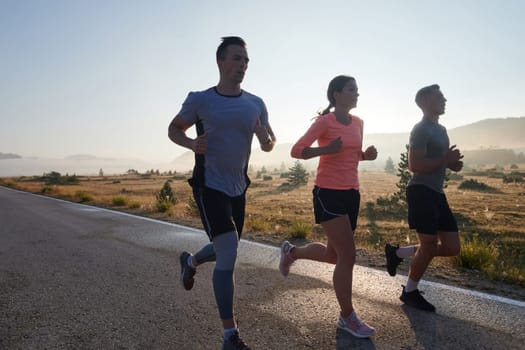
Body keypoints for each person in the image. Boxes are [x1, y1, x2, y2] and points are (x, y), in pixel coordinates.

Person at [168, 36, 275, 350]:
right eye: (236, 59)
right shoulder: (201, 100)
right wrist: (191, 144)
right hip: (209, 184)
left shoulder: (255, 103)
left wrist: (266, 139)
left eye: (245, 61)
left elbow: (267, 142)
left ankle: (191, 261)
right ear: (220, 62)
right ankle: (230, 335)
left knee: (227, 247)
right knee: (228, 249)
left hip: (238, 186)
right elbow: (175, 129)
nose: (242, 66)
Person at [281, 75, 377, 338]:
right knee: (348, 256)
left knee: (335, 256)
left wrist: (365, 156)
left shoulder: (358, 122)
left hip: (351, 193)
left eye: (357, 89)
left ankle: (292, 252)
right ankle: (347, 317)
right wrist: (325, 151)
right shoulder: (325, 122)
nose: (357, 93)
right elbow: (297, 150)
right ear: (336, 94)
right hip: (328, 193)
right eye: (351, 89)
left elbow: (351, 154)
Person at [384, 84, 463, 312]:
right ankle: (410, 292)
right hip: (421, 191)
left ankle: (396, 253)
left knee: (451, 247)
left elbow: (438, 161)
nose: (445, 99)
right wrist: (444, 160)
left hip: (437, 193)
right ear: (426, 100)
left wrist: (451, 164)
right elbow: (414, 165)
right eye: (440, 96)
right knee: (428, 245)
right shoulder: (420, 129)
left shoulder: (442, 130)